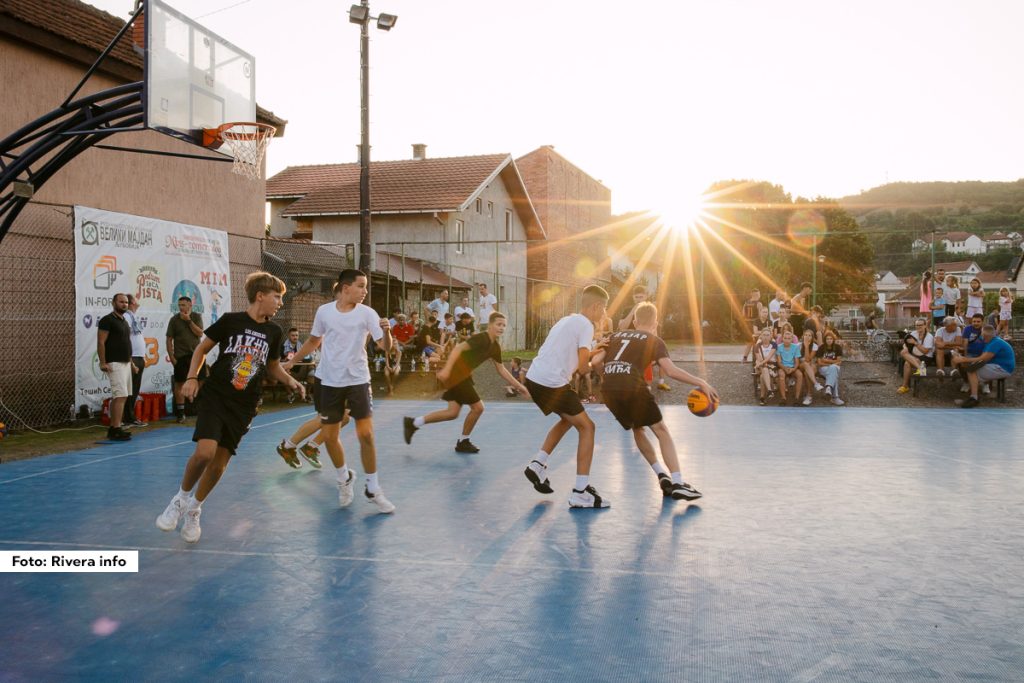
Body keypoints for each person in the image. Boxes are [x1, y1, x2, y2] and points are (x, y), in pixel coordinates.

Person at [155, 272, 304, 543]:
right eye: (277, 296)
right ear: (260, 295)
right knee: (204, 452)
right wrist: (191, 378)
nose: (280, 302)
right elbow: (201, 351)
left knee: (220, 463)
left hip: (245, 405)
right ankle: (180, 500)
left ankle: (194, 509)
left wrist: (291, 380)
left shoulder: (274, 331)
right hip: (217, 395)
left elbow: (272, 367)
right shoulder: (230, 321)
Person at [282, 269, 396, 513]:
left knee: (366, 435)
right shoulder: (324, 312)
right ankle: (344, 478)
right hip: (328, 382)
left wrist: (386, 331)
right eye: (361, 286)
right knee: (331, 436)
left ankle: (373, 488)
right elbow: (314, 341)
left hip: (358, 381)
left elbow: (384, 346)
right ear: (346, 288)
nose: (365, 291)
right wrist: (292, 362)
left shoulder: (368, 313)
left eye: (365, 287)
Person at [591, 302, 716, 500]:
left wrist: (605, 377)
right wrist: (700, 381)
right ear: (655, 323)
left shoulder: (613, 336)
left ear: (634, 321)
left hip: (609, 389)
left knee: (637, 428)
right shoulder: (654, 339)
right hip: (632, 384)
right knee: (661, 430)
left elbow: (596, 362)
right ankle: (677, 482)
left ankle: (661, 475)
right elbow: (671, 371)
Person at [522, 285, 611, 508]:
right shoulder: (587, 326)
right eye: (604, 309)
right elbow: (582, 368)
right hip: (551, 382)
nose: (605, 314)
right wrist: (596, 361)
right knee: (587, 427)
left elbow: (572, 350)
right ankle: (581, 492)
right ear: (596, 306)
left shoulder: (568, 320)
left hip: (536, 378)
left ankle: (538, 463)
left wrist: (593, 348)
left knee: (568, 419)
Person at [404, 311, 529, 453]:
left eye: (504, 325)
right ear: (489, 325)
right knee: (478, 408)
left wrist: (519, 386)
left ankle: (413, 423)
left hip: (463, 376)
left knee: (452, 413)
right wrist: (446, 370)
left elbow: (501, 370)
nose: (501, 328)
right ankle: (463, 441)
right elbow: (458, 348)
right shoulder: (481, 338)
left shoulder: (495, 347)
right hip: (457, 375)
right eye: (498, 324)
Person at [619, 285, 670, 391]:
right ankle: (641, 385)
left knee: (662, 354)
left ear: (646, 297)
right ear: (633, 297)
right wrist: (633, 311)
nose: (638, 299)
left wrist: (654, 346)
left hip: (646, 342)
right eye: (636, 297)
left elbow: (654, 328)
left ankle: (661, 382)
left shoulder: (650, 309)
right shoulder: (627, 309)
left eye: (641, 297)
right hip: (632, 343)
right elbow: (622, 327)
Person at [97, 293, 133, 441]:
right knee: (119, 395)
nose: (124, 304)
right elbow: (101, 342)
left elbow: (126, 342)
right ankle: (116, 428)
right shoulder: (107, 320)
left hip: (125, 363)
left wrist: (131, 362)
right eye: (121, 302)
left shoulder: (124, 321)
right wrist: (103, 362)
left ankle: (114, 427)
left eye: (126, 302)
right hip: (114, 363)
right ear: (113, 303)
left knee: (122, 396)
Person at [166, 295, 206, 423]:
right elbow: (169, 339)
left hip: (197, 355)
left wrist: (188, 320)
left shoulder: (196, 317)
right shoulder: (174, 320)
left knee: (201, 381)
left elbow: (200, 333)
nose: (181, 308)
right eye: (179, 305)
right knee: (180, 384)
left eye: (183, 305)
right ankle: (181, 413)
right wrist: (172, 357)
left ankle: (196, 404)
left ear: (190, 305)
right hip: (181, 356)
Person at [956, 324, 1015, 408]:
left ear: (985, 336)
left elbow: (982, 359)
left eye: (981, 334)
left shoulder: (995, 343)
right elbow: (982, 359)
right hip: (999, 366)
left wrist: (963, 360)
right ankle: (974, 396)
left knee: (971, 371)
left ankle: (974, 398)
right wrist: (965, 361)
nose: (980, 336)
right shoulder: (993, 341)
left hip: (1003, 368)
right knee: (971, 369)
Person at [122, 293, 148, 428]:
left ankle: (130, 417)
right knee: (129, 389)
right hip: (132, 357)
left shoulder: (133, 316)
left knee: (135, 389)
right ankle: (127, 418)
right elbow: (124, 337)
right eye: (135, 300)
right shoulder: (127, 316)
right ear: (132, 303)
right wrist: (130, 359)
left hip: (138, 356)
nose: (138, 301)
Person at [897, 319, 934, 394]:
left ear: (925, 326)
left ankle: (905, 386)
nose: (918, 327)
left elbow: (925, 351)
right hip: (915, 357)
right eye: (917, 325)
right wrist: (906, 348)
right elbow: (905, 343)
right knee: (904, 353)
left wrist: (915, 343)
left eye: (920, 325)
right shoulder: (914, 333)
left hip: (925, 358)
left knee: (907, 362)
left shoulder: (929, 336)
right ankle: (905, 386)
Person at [815, 331, 845, 405]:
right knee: (833, 372)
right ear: (825, 340)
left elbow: (839, 362)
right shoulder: (821, 348)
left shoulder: (837, 347)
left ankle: (828, 387)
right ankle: (835, 397)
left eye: (831, 339)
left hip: (834, 367)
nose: (829, 340)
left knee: (833, 368)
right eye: (827, 339)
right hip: (823, 369)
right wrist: (833, 362)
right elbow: (819, 363)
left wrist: (826, 360)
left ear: (833, 339)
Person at [775, 329, 803, 406]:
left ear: (792, 339)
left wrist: (793, 369)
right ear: (782, 339)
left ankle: (797, 398)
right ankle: (783, 398)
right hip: (783, 367)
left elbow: (797, 362)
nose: (787, 340)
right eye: (785, 338)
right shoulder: (779, 347)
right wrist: (784, 368)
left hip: (793, 367)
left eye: (789, 338)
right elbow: (779, 362)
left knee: (800, 375)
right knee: (781, 375)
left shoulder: (795, 347)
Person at [753, 328, 777, 406]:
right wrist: (761, 364)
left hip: (771, 365)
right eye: (764, 335)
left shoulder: (774, 344)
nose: (766, 337)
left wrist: (761, 364)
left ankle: (762, 397)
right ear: (761, 336)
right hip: (761, 366)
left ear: (770, 336)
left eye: (767, 335)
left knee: (762, 375)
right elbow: (758, 358)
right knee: (764, 368)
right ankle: (770, 390)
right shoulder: (757, 346)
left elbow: (768, 358)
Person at [797, 328, 821, 405]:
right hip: (800, 366)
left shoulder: (814, 346)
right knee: (806, 364)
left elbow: (808, 359)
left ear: (812, 337)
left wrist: (807, 346)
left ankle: (809, 395)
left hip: (810, 366)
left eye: (809, 335)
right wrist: (805, 346)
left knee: (808, 371)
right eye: (806, 335)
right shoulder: (798, 345)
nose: (807, 337)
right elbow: (805, 361)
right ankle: (816, 383)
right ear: (803, 336)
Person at [740, 288, 763, 363]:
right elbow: (761, 315)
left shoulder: (746, 303)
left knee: (749, 342)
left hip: (747, 324)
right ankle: (756, 359)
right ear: (756, 294)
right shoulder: (758, 304)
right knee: (756, 342)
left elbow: (743, 314)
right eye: (759, 294)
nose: (760, 296)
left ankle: (744, 358)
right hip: (755, 324)